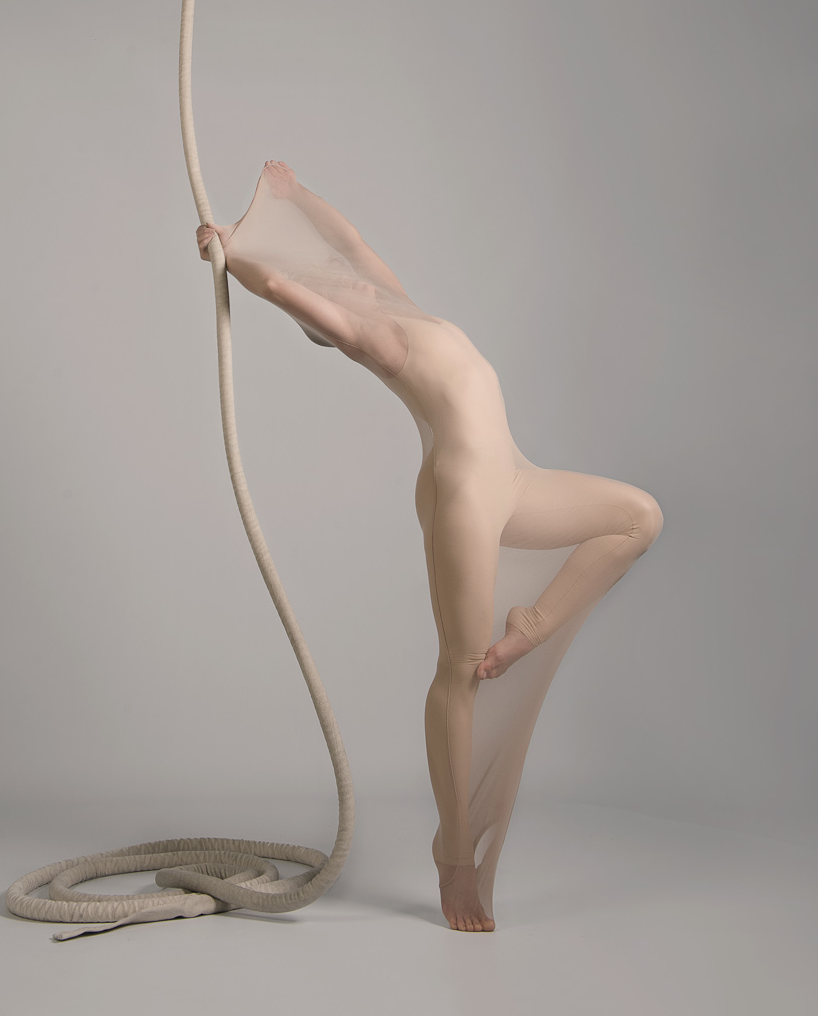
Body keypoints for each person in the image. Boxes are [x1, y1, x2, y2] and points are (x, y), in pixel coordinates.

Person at [196, 160, 664, 932]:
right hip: (463, 495)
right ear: (327, 315)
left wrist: (295, 195)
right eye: (329, 286)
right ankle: (455, 858)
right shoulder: (372, 337)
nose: (342, 274)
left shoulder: (398, 303)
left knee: (637, 516)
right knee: (460, 669)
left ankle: (531, 626)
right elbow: (277, 287)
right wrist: (228, 249)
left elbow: (351, 242)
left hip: (514, 480)